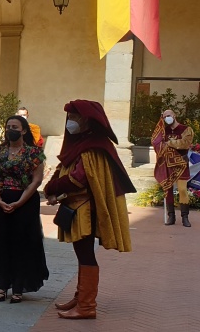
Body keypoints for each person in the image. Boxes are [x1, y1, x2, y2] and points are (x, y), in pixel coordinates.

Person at [44, 100, 135, 320]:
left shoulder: (94, 145)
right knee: (81, 254)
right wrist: (53, 186)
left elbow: (78, 179)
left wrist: (54, 187)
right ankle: (80, 297)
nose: (70, 122)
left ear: (86, 120)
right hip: (76, 206)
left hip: (86, 208)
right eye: (70, 117)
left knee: (86, 255)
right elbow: (65, 167)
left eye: (75, 117)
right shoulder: (83, 141)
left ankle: (86, 306)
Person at [0, 115, 48, 303]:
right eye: (8, 127)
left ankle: (18, 287)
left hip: (25, 203)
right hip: (0, 201)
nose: (10, 130)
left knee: (22, 243)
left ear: (23, 130)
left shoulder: (34, 153)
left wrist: (20, 202)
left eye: (15, 126)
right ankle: (1, 286)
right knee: (0, 241)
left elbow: (36, 180)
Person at [152, 109, 195, 226]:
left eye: (169, 115)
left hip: (181, 163)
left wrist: (170, 143)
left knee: (182, 190)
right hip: (167, 164)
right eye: (165, 117)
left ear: (174, 115)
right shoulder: (163, 131)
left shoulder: (186, 129)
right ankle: (171, 216)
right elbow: (158, 144)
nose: (167, 118)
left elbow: (185, 143)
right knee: (168, 190)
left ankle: (185, 217)